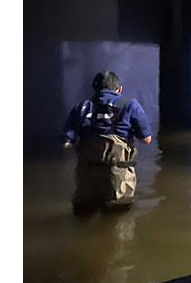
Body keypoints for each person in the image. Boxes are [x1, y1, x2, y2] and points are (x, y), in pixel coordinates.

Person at [63, 71, 153, 215]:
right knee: (119, 218)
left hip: (88, 177)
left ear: (95, 89)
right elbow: (147, 139)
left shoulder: (82, 107)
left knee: (84, 215)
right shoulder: (130, 105)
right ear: (119, 89)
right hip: (118, 178)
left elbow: (68, 138)